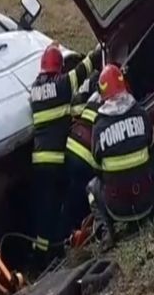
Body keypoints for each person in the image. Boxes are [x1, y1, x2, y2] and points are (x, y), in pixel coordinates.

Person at [29, 43, 103, 250]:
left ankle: (40, 251)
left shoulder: (34, 90)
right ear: (59, 68)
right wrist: (99, 50)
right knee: (58, 205)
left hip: (38, 160)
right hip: (57, 159)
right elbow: (84, 68)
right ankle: (56, 248)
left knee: (44, 208)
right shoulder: (62, 85)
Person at [87, 64, 154, 250]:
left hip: (117, 207)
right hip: (146, 201)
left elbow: (96, 167)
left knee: (91, 188)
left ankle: (107, 232)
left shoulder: (99, 127)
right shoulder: (141, 114)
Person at [63, 78, 102, 234]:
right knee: (86, 196)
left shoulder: (94, 97)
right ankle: (80, 230)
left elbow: (76, 112)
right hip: (87, 158)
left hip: (70, 147)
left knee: (71, 193)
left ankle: (68, 232)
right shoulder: (115, 105)